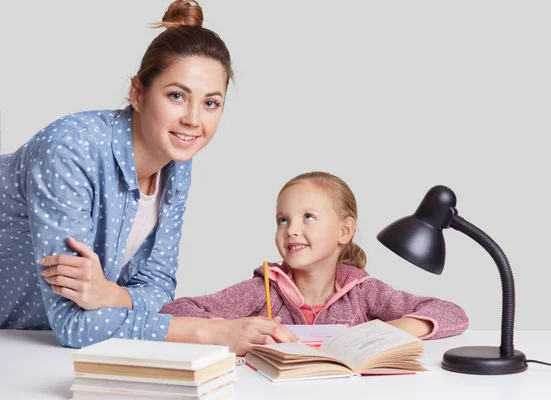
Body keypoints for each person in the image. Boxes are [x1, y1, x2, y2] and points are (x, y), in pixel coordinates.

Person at [0, 0, 297, 353]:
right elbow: (74, 324)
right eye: (177, 96)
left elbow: (158, 289)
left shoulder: (175, 160)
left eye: (211, 103)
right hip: (21, 340)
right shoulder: (70, 151)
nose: (193, 119)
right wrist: (207, 332)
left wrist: (111, 294)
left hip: (27, 345)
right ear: (137, 93)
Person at [160, 171, 469, 349]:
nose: (291, 229)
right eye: (282, 220)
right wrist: (228, 330)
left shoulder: (363, 292)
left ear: (344, 230)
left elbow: (452, 313)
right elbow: (175, 311)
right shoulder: (263, 290)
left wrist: (393, 330)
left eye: (308, 217)